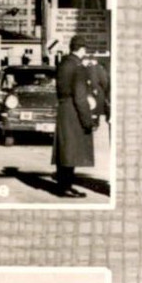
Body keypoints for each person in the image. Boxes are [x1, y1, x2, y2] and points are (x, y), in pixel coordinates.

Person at [53, 37, 99, 197]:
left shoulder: (63, 64)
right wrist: (88, 121)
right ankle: (65, 188)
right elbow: (80, 97)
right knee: (71, 151)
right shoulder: (78, 67)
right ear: (81, 49)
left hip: (64, 109)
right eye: (85, 49)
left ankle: (63, 185)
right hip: (73, 111)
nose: (85, 52)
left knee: (65, 150)